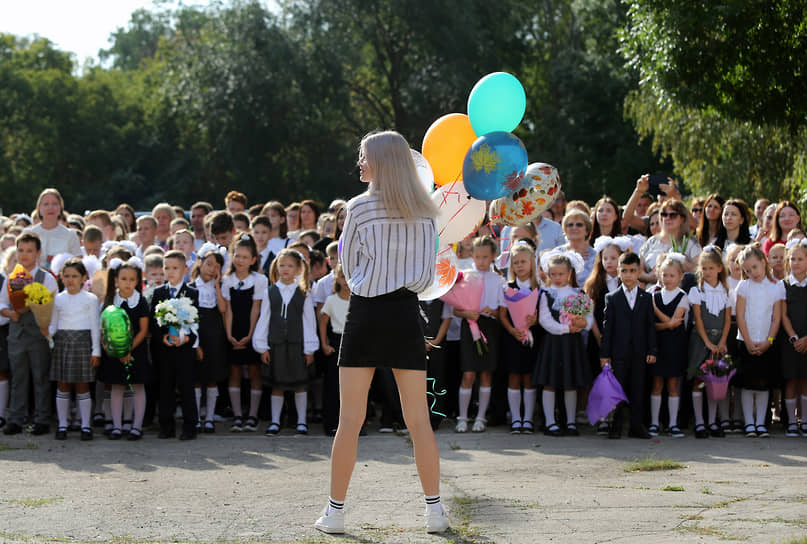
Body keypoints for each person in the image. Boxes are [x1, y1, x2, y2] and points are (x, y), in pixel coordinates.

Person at [315, 130, 447, 535]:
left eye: (364, 157)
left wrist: (372, 283)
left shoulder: (358, 207)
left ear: (382, 162)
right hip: (407, 312)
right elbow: (428, 276)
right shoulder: (426, 211)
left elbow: (347, 263)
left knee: (349, 419)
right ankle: (435, 512)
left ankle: (335, 513)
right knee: (419, 420)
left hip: (367, 313)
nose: (359, 163)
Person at [254, 248, 318, 435]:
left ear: (298, 268)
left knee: (300, 385)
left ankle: (301, 421)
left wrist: (310, 349)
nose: (285, 269)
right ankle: (275, 421)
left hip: (297, 345)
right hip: (276, 345)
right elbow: (264, 318)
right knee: (277, 385)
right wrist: (262, 346)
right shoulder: (270, 292)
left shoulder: (304, 292)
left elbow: (309, 322)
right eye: (282, 265)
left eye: (290, 266)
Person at [1, 232, 58, 436]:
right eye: (21, 250)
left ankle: (42, 419)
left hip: (38, 335)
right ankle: (16, 419)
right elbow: (2, 303)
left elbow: (53, 307)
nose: (24, 255)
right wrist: (9, 312)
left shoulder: (47, 278)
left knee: (40, 376)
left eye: (29, 251)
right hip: (17, 335)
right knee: (18, 377)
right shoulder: (11, 277)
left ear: (38, 253)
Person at [534, 251, 592, 436]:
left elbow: (588, 319)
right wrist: (566, 329)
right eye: (553, 274)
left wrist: (581, 324)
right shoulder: (546, 293)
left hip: (571, 345)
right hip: (553, 342)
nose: (557, 278)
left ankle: (571, 422)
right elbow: (544, 320)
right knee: (550, 382)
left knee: (570, 382)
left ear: (569, 273)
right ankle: (551, 422)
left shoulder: (578, 292)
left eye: (561, 274)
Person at [600, 251, 657, 439]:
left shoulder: (646, 298)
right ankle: (615, 426)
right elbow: (607, 328)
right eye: (624, 271)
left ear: (639, 271)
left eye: (632, 271)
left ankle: (636, 426)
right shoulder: (612, 298)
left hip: (640, 352)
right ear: (618, 271)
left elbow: (650, 326)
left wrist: (651, 349)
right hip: (619, 352)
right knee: (618, 389)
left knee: (638, 388)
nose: (628, 275)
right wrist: (605, 354)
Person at [452, 236, 504, 434]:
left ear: (493, 257)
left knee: (486, 373)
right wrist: (466, 313)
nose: (481, 261)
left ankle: (481, 417)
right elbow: (455, 310)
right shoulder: (464, 276)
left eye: (485, 257)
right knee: (468, 373)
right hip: (469, 326)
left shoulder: (498, 280)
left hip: (489, 328)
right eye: (478, 256)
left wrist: (494, 311)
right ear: (472, 255)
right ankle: (463, 417)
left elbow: (503, 311)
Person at [584, 235, 632, 434]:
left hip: (621, 339)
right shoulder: (594, 284)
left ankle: (618, 416)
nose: (609, 262)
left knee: (620, 377)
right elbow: (590, 313)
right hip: (600, 339)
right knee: (601, 378)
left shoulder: (627, 283)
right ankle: (603, 416)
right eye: (606, 258)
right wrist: (598, 336)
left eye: (614, 258)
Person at [151, 250, 201, 440]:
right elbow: (154, 321)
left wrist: (188, 338)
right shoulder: (159, 292)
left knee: (186, 387)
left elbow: (197, 320)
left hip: (185, 350)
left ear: (185, 269)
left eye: (175, 268)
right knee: (165, 387)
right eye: (167, 268)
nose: (170, 272)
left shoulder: (192, 292)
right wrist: (162, 336)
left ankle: (190, 426)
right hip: (165, 350)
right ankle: (166, 426)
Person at [49, 258, 101, 441]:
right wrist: (48, 336)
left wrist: (96, 351)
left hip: (82, 343)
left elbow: (95, 326)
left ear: (83, 278)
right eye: (67, 276)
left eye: (75, 276)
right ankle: (63, 424)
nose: (70, 280)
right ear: (61, 277)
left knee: (82, 386)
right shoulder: (58, 299)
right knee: (62, 384)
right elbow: (53, 324)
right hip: (63, 342)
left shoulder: (90, 299)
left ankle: (85, 425)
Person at [735, 246, 784, 438]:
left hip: (766, 342)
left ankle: (761, 423)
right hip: (747, 341)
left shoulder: (776, 286)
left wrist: (769, 341)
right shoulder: (743, 287)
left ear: (764, 262)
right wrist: (747, 341)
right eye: (747, 270)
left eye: (754, 267)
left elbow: (776, 318)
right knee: (748, 385)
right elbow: (740, 316)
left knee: (763, 385)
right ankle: (749, 423)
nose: (751, 273)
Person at [99, 259, 151, 440]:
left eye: (131, 279)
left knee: (137, 386)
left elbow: (144, 329)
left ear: (137, 281)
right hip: (114, 353)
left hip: (135, 351)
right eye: (123, 279)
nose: (127, 283)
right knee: (117, 386)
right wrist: (114, 349)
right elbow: (103, 327)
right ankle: (117, 426)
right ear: (116, 280)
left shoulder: (141, 301)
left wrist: (127, 350)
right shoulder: (110, 301)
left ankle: (136, 426)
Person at [222, 233, 266, 432]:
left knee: (255, 371)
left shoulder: (259, 280)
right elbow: (228, 310)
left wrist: (250, 335)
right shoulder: (227, 280)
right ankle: (238, 415)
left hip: (252, 330)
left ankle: (253, 416)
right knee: (235, 372)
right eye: (237, 255)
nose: (240, 260)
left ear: (253, 260)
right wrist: (230, 334)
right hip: (233, 331)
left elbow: (256, 308)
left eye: (245, 257)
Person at [687, 247, 732, 439]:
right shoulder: (697, 291)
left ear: (719, 269)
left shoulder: (726, 291)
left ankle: (713, 422)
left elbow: (728, 320)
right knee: (698, 380)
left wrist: (721, 342)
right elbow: (698, 319)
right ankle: (699, 422)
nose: (707, 272)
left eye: (711, 268)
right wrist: (708, 343)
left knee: (716, 381)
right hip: (701, 340)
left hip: (719, 340)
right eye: (703, 268)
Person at [498, 241, 541, 434]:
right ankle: (516, 419)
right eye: (515, 263)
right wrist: (512, 330)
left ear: (532, 262)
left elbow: (543, 312)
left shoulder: (539, 287)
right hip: (513, 338)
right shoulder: (507, 287)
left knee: (529, 377)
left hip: (533, 337)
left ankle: (528, 419)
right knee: (514, 376)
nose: (520, 266)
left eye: (523, 261)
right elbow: (502, 314)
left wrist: (535, 319)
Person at [648, 254, 689, 438]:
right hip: (658, 346)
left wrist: (656, 312)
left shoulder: (682, 296)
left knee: (673, 385)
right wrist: (666, 325)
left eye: (672, 275)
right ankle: (655, 423)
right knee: (656, 384)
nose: (668, 279)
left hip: (675, 346)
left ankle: (673, 424)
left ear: (680, 276)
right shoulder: (654, 294)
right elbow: (652, 325)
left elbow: (674, 322)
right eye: (664, 275)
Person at [192, 248, 228, 433]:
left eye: (216, 267)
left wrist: (217, 285)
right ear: (200, 263)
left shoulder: (219, 287)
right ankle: (196, 417)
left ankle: (210, 417)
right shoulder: (192, 287)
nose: (211, 269)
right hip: (198, 336)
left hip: (215, 337)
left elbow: (222, 308)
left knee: (213, 378)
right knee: (197, 378)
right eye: (208, 264)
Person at [318, 264, 350, 436]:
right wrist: (324, 344)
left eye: (349, 277)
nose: (346, 282)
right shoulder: (331, 300)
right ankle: (331, 424)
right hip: (336, 343)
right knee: (333, 387)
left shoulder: (359, 300)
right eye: (342, 277)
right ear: (336, 278)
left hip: (355, 345)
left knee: (355, 387)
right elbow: (323, 323)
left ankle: (357, 425)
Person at [780, 239, 807, 437]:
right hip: (790, 341)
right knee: (791, 380)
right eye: (792, 259)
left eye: (800, 259)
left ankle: (804, 420)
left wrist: (806, 339)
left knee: (805, 381)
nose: (796, 262)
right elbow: (783, 315)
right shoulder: (783, 285)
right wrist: (794, 337)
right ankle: (791, 422)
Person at [25, 188, 81, 270]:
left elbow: (78, 263)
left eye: (55, 204)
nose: (50, 207)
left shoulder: (71, 235)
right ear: (39, 208)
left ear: (60, 208)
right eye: (46, 204)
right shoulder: (29, 233)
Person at [557, 209, 596, 285]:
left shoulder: (595, 255)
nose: (574, 228)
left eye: (579, 225)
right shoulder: (556, 253)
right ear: (565, 229)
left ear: (587, 230)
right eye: (570, 225)